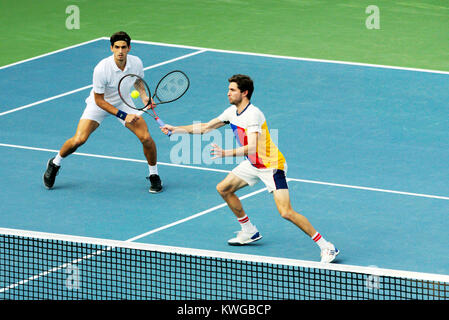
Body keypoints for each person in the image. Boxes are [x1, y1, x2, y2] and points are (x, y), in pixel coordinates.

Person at [161, 74, 339, 263]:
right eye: (229, 89)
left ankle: (327, 246)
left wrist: (225, 153)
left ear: (244, 93)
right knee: (224, 188)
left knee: (286, 212)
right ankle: (249, 231)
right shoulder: (231, 112)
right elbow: (205, 128)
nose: (228, 93)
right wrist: (176, 129)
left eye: (232, 90)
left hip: (271, 166)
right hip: (253, 163)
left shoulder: (253, 114)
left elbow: (252, 147)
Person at [43, 31, 163, 193]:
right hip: (98, 105)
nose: (120, 51)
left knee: (146, 138)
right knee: (79, 139)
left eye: (123, 47)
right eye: (117, 47)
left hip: (123, 101)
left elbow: (138, 81)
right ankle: (55, 163)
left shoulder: (136, 63)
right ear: (111, 48)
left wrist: (144, 96)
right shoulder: (101, 69)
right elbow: (99, 100)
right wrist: (123, 115)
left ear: (129, 48)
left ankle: (154, 175)